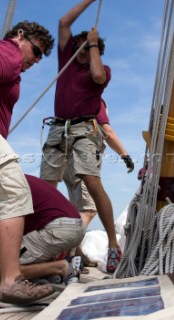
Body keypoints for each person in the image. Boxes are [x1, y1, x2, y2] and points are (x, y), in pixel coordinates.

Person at [40, 0, 132, 271]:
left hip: (84, 130)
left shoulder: (102, 72)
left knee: (92, 184)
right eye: (77, 45)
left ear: (95, 51)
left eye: (85, 46)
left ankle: (114, 246)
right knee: (46, 188)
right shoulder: (66, 63)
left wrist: (93, 44)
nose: (79, 48)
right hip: (58, 129)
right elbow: (63, 23)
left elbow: (97, 74)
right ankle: (61, 248)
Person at [0, 21, 56, 306]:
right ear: (20, 36)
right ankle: (11, 282)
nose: (35, 60)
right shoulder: (7, 50)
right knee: (14, 193)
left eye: (40, 58)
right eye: (36, 51)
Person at [63, 98, 134, 266]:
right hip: (81, 160)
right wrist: (125, 155)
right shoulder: (96, 103)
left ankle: (77, 254)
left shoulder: (73, 106)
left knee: (76, 209)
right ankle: (68, 251)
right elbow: (107, 132)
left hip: (66, 157)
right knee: (88, 210)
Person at [0, 174, 85, 286]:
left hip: (56, 230)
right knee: (11, 257)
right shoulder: (11, 176)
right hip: (73, 226)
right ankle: (49, 272)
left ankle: (63, 267)